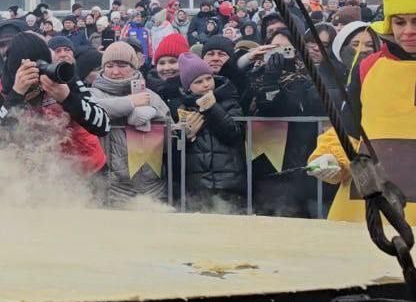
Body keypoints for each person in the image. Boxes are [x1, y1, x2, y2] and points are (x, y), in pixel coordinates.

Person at [303, 0, 416, 302]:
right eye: (401, 20)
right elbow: (349, 130)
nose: (409, 31)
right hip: (383, 216)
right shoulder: (367, 68)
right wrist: (327, 157)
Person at [0, 31, 110, 174]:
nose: (36, 80)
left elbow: (103, 126)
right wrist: (16, 94)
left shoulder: (62, 77)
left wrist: (68, 98)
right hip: (37, 177)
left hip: (88, 170)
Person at [245, 28, 325, 218]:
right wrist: (270, 78)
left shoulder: (309, 75)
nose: (280, 54)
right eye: (276, 48)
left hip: (299, 157)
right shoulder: (257, 74)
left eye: (286, 49)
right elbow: (265, 108)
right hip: (266, 160)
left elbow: (313, 105)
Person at [88, 42, 171, 205]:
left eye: (122, 65)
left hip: (152, 187)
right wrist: (129, 104)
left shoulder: (149, 94)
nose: (115, 71)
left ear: (134, 67)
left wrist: (154, 113)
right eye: (109, 66)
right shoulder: (93, 93)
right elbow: (91, 109)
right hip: (112, 189)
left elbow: (172, 136)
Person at [174, 52, 246, 211]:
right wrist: (184, 136)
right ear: (188, 87)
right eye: (198, 82)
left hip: (230, 183)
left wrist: (213, 109)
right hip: (197, 187)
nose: (206, 84)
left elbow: (234, 134)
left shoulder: (228, 100)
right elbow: (174, 155)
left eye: (208, 78)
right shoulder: (181, 108)